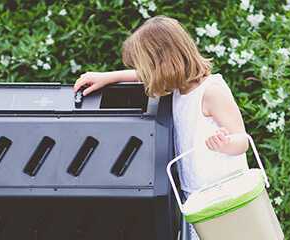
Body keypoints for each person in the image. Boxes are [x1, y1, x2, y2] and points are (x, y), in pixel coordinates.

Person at [72, 16, 249, 240]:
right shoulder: (176, 89)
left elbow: (242, 141)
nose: (144, 75)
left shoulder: (212, 91)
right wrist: (108, 77)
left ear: (164, 62)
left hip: (227, 199)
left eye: (146, 67)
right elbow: (140, 77)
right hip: (197, 199)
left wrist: (225, 143)